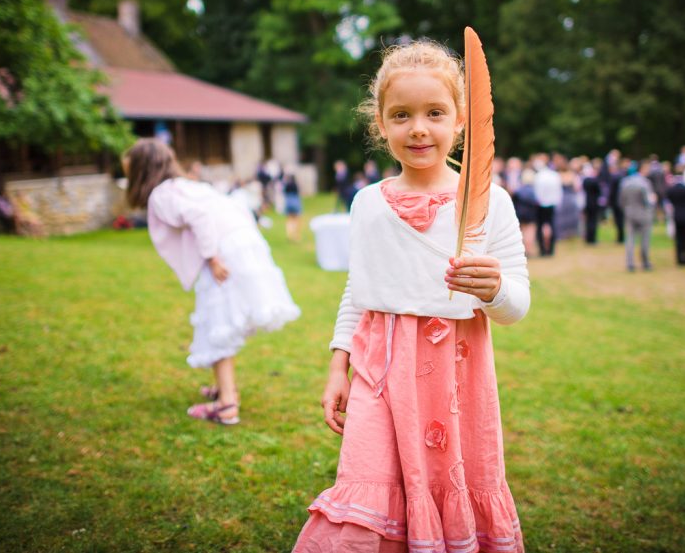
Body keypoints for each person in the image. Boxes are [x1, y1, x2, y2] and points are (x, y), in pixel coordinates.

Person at [293, 40, 531, 552]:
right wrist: (339, 365)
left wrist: (494, 291)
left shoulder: (490, 202)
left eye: (435, 113)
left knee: (447, 485)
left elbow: (517, 304)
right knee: (372, 480)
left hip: (455, 374)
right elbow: (360, 290)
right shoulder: (367, 204)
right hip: (380, 371)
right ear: (380, 124)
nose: (418, 127)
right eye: (401, 115)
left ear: (460, 120)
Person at [123, 138, 300, 425]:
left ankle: (227, 404)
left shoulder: (162, 195)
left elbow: (200, 216)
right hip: (242, 243)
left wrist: (212, 257)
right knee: (222, 321)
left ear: (142, 171)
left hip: (223, 252)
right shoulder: (188, 185)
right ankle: (224, 389)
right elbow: (233, 208)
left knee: (217, 323)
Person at [618, 161, 655, 271]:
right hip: (643, 213)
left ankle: (630, 263)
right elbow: (648, 201)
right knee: (644, 239)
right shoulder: (645, 183)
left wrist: (626, 209)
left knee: (630, 239)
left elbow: (621, 200)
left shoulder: (625, 182)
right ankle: (645, 262)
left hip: (629, 212)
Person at [532, 154, 562, 256]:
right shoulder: (554, 175)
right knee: (552, 225)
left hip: (541, 204)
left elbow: (537, 192)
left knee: (540, 226)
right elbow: (558, 191)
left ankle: (543, 250)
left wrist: (539, 201)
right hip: (552, 204)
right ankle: (551, 250)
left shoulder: (538, 176)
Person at [283, 171, 303, 242]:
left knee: (289, 219)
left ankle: (289, 234)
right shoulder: (295, 185)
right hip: (295, 201)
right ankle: (296, 236)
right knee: (296, 220)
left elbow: (284, 192)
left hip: (288, 202)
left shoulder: (287, 185)